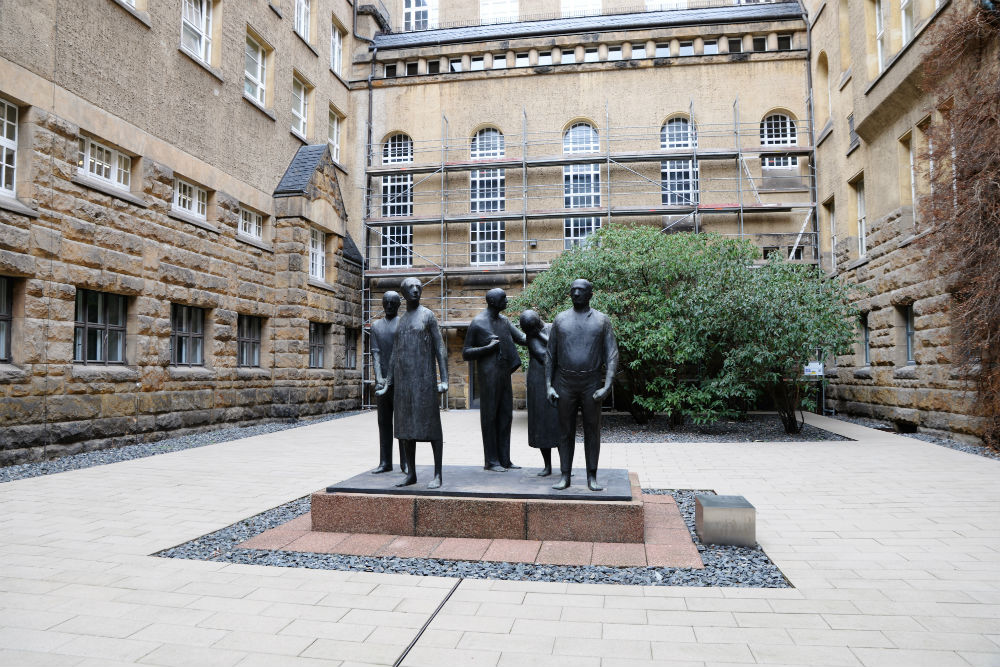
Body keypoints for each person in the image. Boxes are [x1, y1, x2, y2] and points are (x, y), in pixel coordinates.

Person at [546, 279, 619, 492]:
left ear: (590, 294)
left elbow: (612, 354)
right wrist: (548, 385)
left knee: (592, 430)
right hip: (565, 382)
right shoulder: (560, 320)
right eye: (573, 290)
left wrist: (607, 385)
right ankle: (565, 475)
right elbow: (550, 355)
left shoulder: (602, 320)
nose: (576, 294)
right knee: (564, 431)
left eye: (581, 290)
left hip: (591, 383)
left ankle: (591, 476)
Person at [375, 277, 448, 488]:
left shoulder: (428, 316)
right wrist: (388, 383)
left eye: (418, 287)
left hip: (424, 381)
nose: (416, 291)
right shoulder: (402, 320)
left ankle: (437, 475)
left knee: (433, 428)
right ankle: (412, 474)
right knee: (406, 430)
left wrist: (444, 380)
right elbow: (394, 355)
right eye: (411, 288)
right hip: (405, 384)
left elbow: (440, 348)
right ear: (403, 293)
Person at [462, 289, 526, 471]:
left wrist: (543, 331)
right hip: (489, 376)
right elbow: (466, 353)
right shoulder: (478, 323)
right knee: (490, 417)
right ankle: (491, 461)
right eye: (503, 298)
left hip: (504, 374)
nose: (507, 300)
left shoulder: (504, 321)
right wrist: (486, 348)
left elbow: (522, 338)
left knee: (506, 416)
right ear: (492, 301)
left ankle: (505, 459)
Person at [370, 291, 407, 475]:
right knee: (383, 423)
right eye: (387, 303)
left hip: (400, 381)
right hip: (382, 381)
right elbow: (375, 354)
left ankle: (405, 462)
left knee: (402, 424)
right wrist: (379, 378)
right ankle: (385, 461)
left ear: (399, 305)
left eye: (393, 303)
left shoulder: (403, 324)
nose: (390, 306)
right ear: (383, 304)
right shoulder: (376, 326)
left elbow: (402, 353)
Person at [519, 310, 560, 476]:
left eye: (531, 328)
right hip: (538, 381)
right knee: (542, 425)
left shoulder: (552, 328)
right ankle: (547, 466)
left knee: (559, 424)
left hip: (556, 381)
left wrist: (540, 335)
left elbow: (559, 350)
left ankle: (565, 465)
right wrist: (535, 335)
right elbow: (546, 356)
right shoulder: (531, 337)